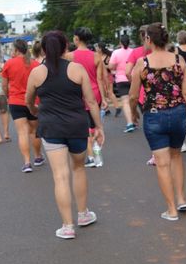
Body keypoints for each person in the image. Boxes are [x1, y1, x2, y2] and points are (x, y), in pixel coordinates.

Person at [26, 31, 104, 240]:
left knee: (60, 176)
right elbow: (91, 101)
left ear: (43, 49)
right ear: (65, 47)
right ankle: (83, 214)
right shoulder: (77, 69)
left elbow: (28, 101)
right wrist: (98, 127)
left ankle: (67, 226)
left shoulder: (37, 73)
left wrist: (35, 112)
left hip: (51, 128)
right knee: (78, 168)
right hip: (77, 126)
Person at [128, 23, 186, 221]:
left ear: (148, 39)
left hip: (154, 115)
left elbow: (133, 95)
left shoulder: (142, 63)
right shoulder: (178, 60)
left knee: (162, 163)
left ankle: (171, 210)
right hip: (178, 114)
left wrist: (133, 113)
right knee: (176, 156)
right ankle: (182, 199)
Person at [2, 39, 45, 173]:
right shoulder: (35, 64)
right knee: (34, 131)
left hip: (15, 101)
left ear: (16, 50)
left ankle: (27, 163)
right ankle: (38, 157)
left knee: (22, 132)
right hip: (33, 101)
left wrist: (9, 96)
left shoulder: (9, 64)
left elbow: (4, 86)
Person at [71, 27, 107, 168]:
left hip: (78, 94)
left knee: (84, 128)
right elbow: (99, 79)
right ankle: (96, 154)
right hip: (94, 93)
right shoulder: (96, 56)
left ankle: (91, 156)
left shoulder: (70, 56)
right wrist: (103, 98)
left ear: (76, 38)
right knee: (94, 125)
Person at [123, 25, 149, 135]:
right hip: (167, 93)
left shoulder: (136, 52)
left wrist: (135, 83)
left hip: (143, 94)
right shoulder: (164, 51)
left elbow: (127, 72)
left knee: (152, 126)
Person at [109, 34, 134, 126]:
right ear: (129, 42)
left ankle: (130, 123)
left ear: (120, 42)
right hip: (132, 78)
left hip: (121, 79)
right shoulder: (133, 52)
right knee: (133, 100)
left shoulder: (116, 52)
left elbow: (111, 66)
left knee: (125, 101)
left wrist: (116, 67)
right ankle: (134, 119)